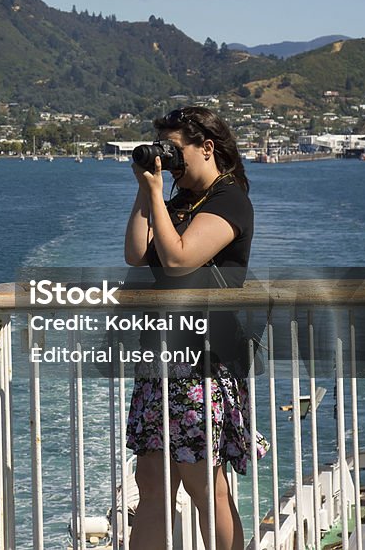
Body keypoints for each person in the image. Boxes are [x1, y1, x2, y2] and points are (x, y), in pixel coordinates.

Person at [123, 106, 268, 550]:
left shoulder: (230, 201)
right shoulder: (177, 202)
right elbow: (135, 252)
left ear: (207, 148)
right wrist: (146, 189)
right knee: (151, 480)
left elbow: (181, 259)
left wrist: (155, 193)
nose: (170, 162)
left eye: (175, 151)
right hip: (160, 359)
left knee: (203, 484)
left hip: (203, 362)